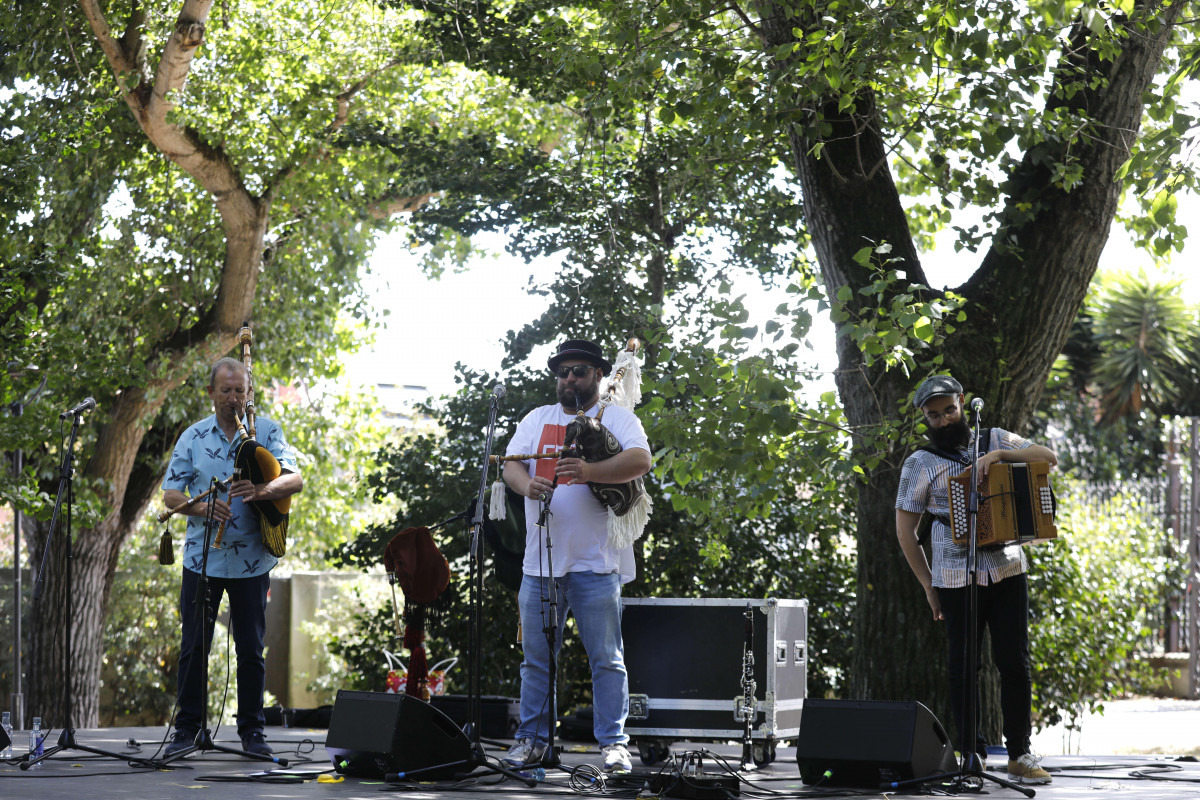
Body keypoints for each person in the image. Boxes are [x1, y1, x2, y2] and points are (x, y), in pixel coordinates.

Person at [500, 339, 652, 775]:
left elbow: (640, 460)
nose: (569, 379)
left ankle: (614, 746)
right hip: (540, 564)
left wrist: (589, 472)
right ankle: (531, 741)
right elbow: (511, 464)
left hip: (595, 563)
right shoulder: (537, 419)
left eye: (579, 371)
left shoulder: (618, 417)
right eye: (563, 372)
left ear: (598, 376)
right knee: (537, 660)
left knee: (606, 658)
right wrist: (524, 485)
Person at [895, 375, 1055, 785]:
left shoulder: (995, 437)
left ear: (962, 403)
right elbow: (905, 533)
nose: (944, 419)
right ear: (925, 419)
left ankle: (1020, 752)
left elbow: (1048, 456)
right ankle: (972, 752)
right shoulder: (919, 463)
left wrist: (999, 457)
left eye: (949, 409)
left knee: (1014, 662)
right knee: (963, 665)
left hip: (1006, 567)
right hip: (952, 573)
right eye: (934, 415)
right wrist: (929, 586)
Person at [161, 357, 302, 757]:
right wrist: (201, 508)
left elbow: (296, 479)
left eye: (240, 391)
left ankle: (252, 733)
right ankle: (186, 731)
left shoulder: (266, 432)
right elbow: (172, 495)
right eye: (226, 390)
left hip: (252, 562)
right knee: (193, 647)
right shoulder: (192, 437)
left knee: (251, 648)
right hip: (202, 560)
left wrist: (261, 491)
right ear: (211, 393)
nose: (234, 398)